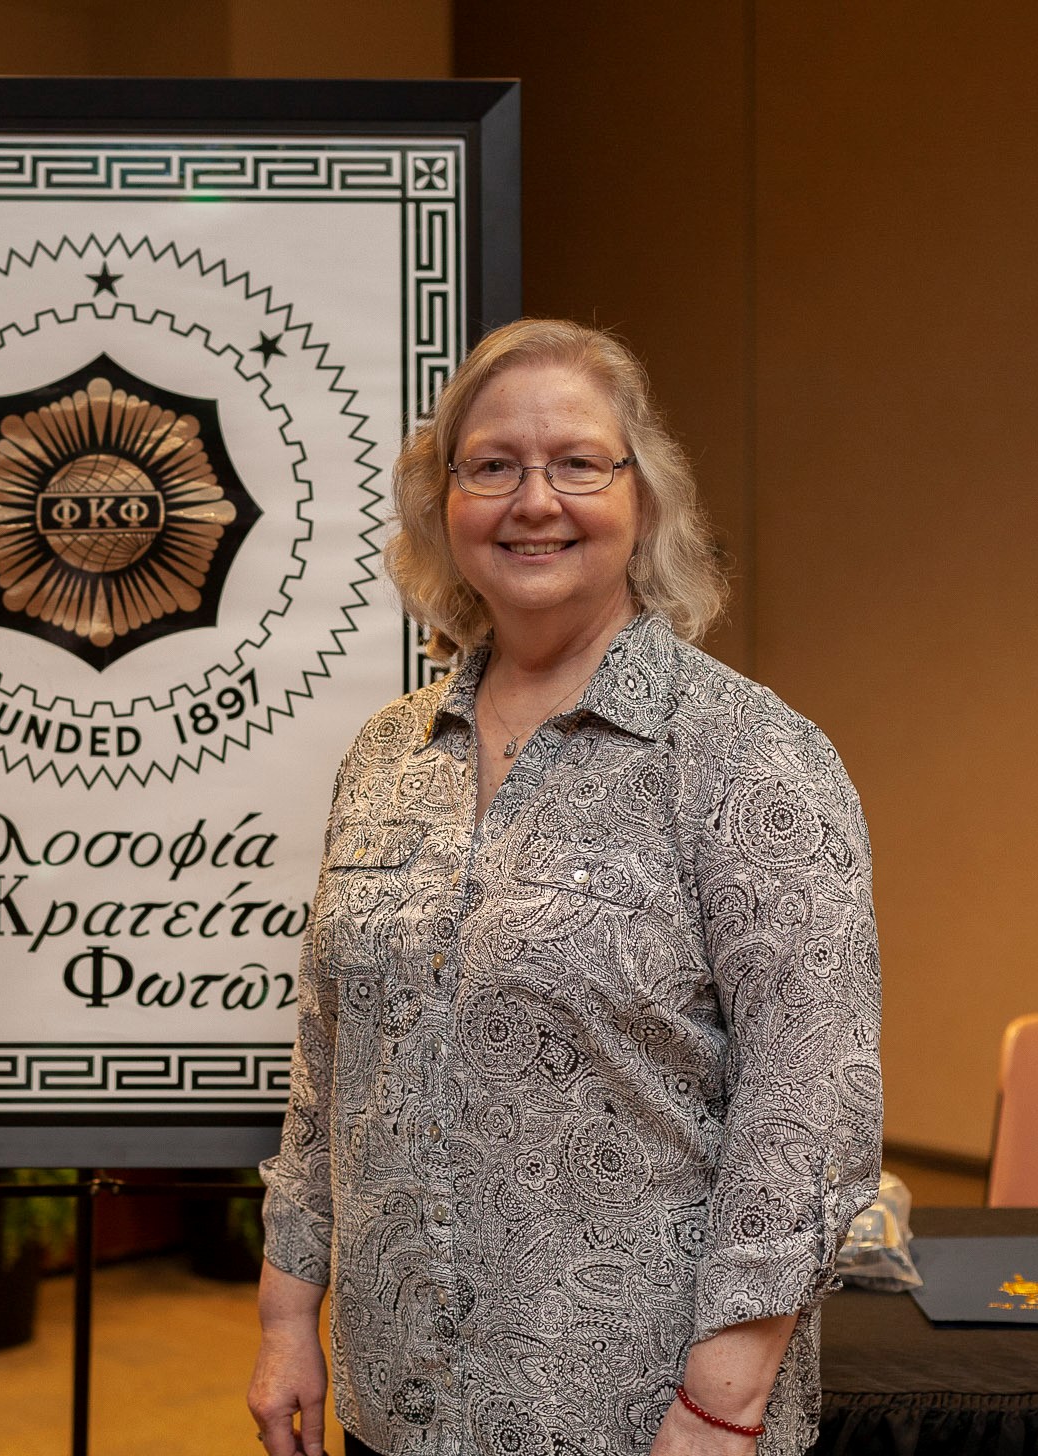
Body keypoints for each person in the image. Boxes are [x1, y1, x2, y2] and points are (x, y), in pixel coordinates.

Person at [249, 319, 883, 1456]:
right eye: (491, 465)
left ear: (644, 499)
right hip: (401, 1406)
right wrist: (288, 1315)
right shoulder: (387, 754)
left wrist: (721, 1403)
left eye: (578, 463)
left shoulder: (749, 758)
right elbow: (325, 1061)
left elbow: (809, 1109)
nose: (533, 499)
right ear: (444, 504)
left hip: (644, 1421)